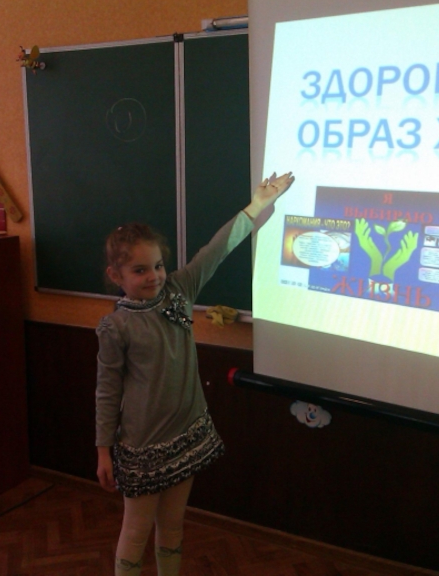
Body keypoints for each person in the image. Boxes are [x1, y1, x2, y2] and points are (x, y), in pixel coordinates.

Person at [95, 171, 294, 575]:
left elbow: (216, 249)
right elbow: (107, 391)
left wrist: (257, 205)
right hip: (144, 444)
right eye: (139, 270)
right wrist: (103, 449)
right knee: (136, 530)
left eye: (157, 265)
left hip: (187, 431)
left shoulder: (180, 290)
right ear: (117, 276)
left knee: (172, 525)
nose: (153, 276)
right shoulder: (117, 327)